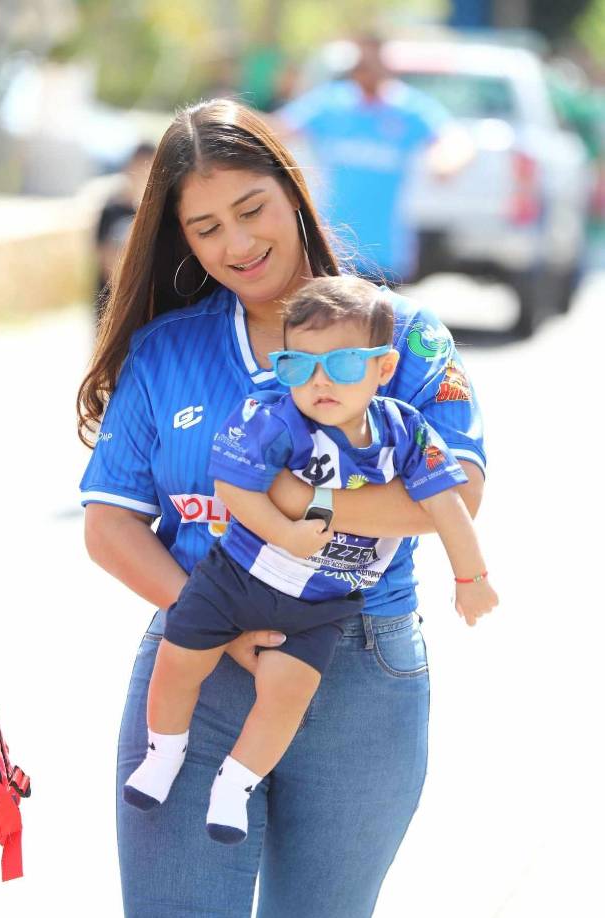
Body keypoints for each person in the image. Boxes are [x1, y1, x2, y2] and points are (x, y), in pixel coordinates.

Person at [77, 98, 487, 917]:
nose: (236, 243)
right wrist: (221, 625)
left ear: (292, 191)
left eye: (251, 209)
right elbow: (109, 525)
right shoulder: (167, 351)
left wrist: (296, 502)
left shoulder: (405, 337)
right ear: (181, 239)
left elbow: (456, 496)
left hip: (361, 671)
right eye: (204, 227)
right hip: (196, 664)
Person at [122, 275, 498, 847]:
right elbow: (233, 482)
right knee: (177, 659)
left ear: (384, 368)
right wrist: (282, 531)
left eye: (344, 364)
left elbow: (447, 504)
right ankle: (163, 751)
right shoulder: (275, 418)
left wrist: (471, 577)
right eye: (300, 366)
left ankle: (236, 784)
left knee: (287, 696)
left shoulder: (408, 433)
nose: (320, 381)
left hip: (324, 601)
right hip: (237, 578)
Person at [275, 34, 473, 283]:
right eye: (359, 65)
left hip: (384, 255)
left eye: (370, 63)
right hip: (332, 250)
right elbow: (276, 129)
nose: (364, 71)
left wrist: (446, 161)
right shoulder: (330, 103)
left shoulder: (408, 108)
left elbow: (454, 140)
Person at [93, 142, 156, 322]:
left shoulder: (154, 214)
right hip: (109, 306)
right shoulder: (112, 209)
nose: (143, 173)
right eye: (139, 166)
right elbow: (103, 257)